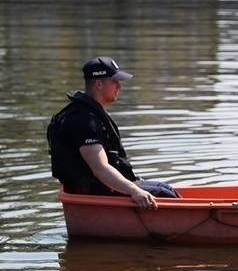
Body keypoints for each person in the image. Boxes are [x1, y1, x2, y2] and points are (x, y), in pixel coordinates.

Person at [47, 56, 180, 209]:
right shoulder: (83, 120)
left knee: (166, 189)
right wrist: (134, 191)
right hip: (94, 194)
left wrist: (134, 183)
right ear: (98, 84)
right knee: (164, 195)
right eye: (114, 81)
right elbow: (100, 168)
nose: (119, 86)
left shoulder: (90, 113)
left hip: (101, 186)